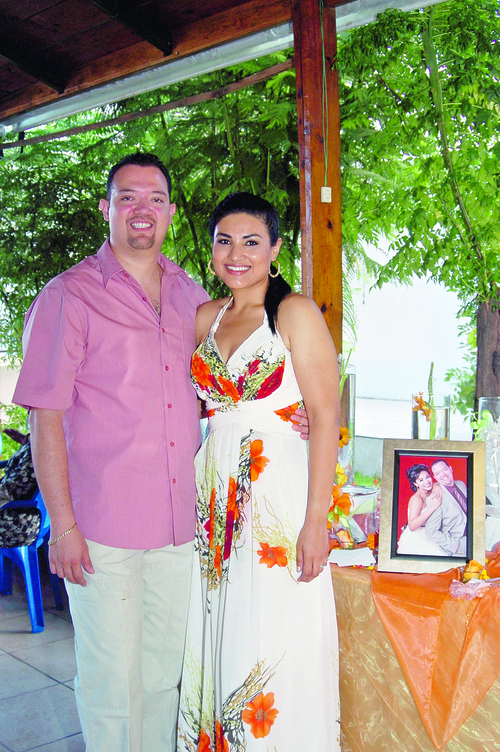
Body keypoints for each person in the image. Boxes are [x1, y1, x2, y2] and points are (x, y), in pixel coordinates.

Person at [12, 153, 308, 752]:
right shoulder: (68, 295)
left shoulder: (192, 297)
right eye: (127, 197)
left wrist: (284, 412)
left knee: (165, 684)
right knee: (111, 685)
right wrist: (61, 527)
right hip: (102, 529)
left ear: (171, 211)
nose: (141, 210)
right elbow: (45, 418)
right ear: (107, 209)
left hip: (181, 526)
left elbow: (217, 390)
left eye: (154, 198)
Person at [177, 193, 341, 752]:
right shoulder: (206, 317)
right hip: (214, 495)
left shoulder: (294, 312)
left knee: (271, 633)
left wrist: (315, 520)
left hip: (276, 494)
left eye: (251, 241)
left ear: (274, 248)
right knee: (220, 628)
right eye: (224, 241)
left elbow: (325, 415)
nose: (236, 254)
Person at [396, 464, 443, 556]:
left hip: (431, 532)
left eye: (427, 477)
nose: (427, 482)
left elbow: (439, 483)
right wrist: (432, 507)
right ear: (415, 483)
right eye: (421, 480)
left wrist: (436, 486)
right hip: (417, 538)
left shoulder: (430, 491)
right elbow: (412, 526)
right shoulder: (417, 499)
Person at [425, 459, 468, 556]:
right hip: (459, 541)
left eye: (444, 470)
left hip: (473, 533)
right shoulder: (435, 498)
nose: (443, 475)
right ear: (435, 477)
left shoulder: (461, 484)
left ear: (450, 469)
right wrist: (456, 547)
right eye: (438, 473)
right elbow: (431, 531)